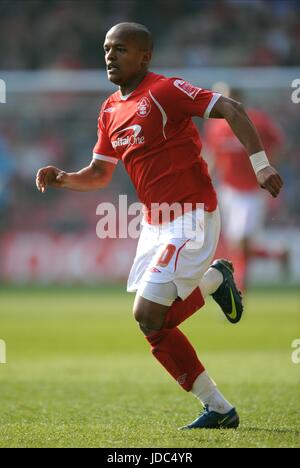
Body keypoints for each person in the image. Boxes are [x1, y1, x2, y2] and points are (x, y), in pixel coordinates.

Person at [36, 23, 283, 429]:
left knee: (147, 311)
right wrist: (63, 177)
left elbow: (231, 109)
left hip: (193, 214)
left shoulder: (165, 90)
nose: (109, 56)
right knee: (152, 324)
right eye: (105, 49)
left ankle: (215, 282)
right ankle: (219, 408)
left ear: (144, 56)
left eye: (120, 49)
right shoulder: (109, 110)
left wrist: (260, 163)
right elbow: (99, 174)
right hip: (155, 224)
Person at [204, 86, 287, 292]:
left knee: (241, 241)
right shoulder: (215, 127)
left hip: (252, 191)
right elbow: (212, 155)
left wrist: (268, 170)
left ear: (237, 100)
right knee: (237, 245)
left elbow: (279, 144)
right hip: (228, 191)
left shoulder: (257, 121)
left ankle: (239, 289)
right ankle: (278, 255)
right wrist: (206, 181)